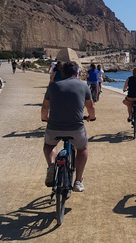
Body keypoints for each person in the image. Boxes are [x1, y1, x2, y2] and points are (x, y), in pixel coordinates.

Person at [41, 61, 96, 192]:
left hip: (54, 126)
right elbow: (91, 106)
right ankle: (78, 181)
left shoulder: (53, 86)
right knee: (82, 149)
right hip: (76, 127)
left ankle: (51, 166)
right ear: (77, 73)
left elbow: (44, 106)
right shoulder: (83, 86)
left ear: (63, 73)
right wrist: (91, 117)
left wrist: (44, 118)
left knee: (49, 145)